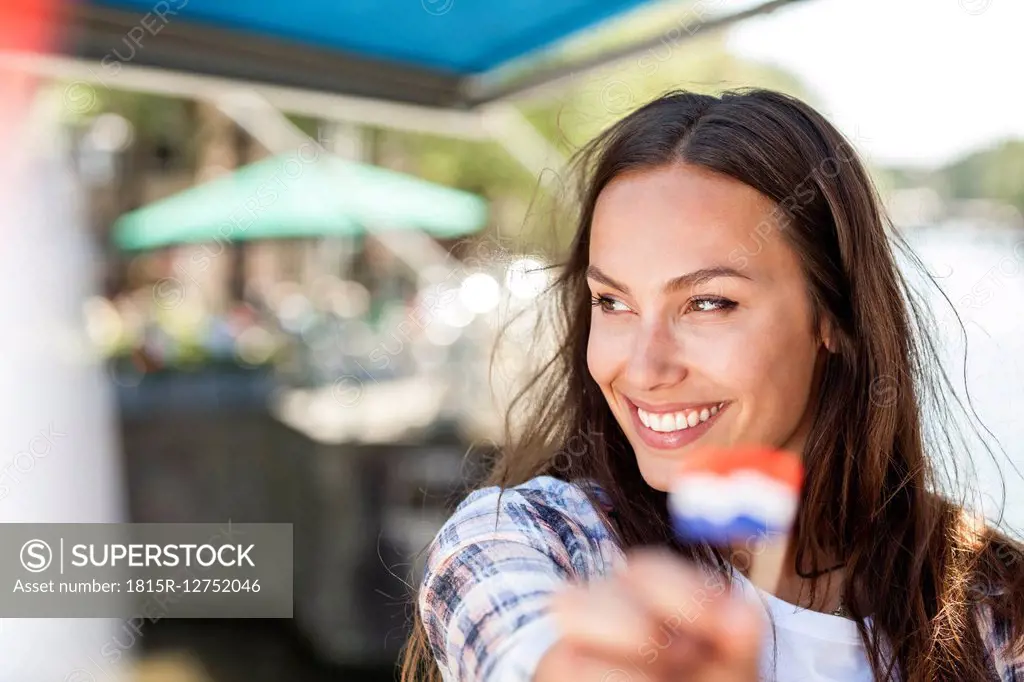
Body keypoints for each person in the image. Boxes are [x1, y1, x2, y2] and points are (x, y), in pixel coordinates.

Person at [399, 89, 1024, 682]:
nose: (644, 369)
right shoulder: (541, 535)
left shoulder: (991, 601)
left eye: (707, 303)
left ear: (834, 316)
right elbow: (511, 626)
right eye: (612, 302)